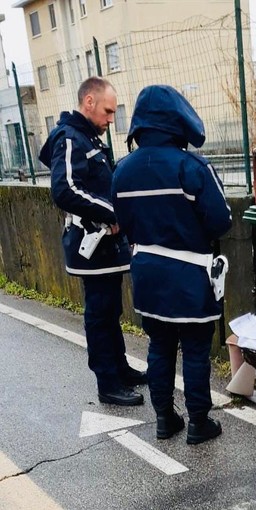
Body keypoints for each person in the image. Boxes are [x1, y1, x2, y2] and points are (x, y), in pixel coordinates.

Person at [112, 85, 232, 444]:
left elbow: (124, 223)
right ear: (178, 121)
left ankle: (165, 419)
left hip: (146, 273)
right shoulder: (192, 167)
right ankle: (199, 423)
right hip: (190, 274)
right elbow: (221, 220)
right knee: (195, 350)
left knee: (159, 346)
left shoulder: (122, 171)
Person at [39, 77, 147, 406]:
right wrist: (112, 212)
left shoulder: (88, 138)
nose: (111, 119)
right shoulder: (70, 138)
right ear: (88, 102)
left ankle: (119, 369)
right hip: (91, 244)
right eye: (107, 111)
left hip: (104, 246)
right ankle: (108, 383)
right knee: (100, 314)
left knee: (110, 309)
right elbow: (65, 190)